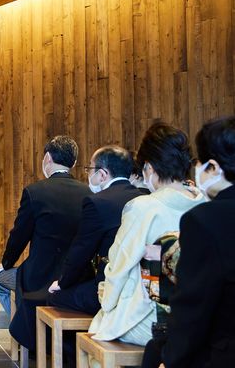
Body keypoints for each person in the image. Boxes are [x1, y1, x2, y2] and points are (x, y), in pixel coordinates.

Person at [88, 122, 205, 349]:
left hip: (151, 316)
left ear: (149, 167)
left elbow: (119, 266)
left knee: (100, 327)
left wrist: (106, 301)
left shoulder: (143, 208)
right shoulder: (204, 204)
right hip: (197, 316)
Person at [142, 116, 235, 368]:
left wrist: (170, 360)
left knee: (155, 351)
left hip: (222, 353)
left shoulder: (204, 220)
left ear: (213, 167)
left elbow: (193, 306)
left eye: (201, 163)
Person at [46, 146, 143, 367]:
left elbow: (80, 252)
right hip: (138, 288)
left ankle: (74, 359)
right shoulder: (143, 197)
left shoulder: (98, 202)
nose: (89, 175)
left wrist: (62, 282)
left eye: (90, 169)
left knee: (55, 298)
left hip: (108, 288)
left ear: (102, 174)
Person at [0, 135, 91, 351]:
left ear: (47, 158)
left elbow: (19, 236)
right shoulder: (88, 194)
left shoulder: (35, 192)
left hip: (38, 279)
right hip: (76, 280)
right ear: (74, 162)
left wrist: (6, 263)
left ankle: (26, 335)